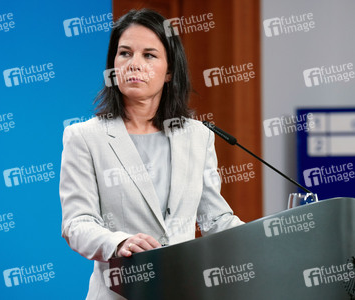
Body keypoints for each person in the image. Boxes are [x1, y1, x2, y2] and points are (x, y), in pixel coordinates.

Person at [59, 8, 243, 299]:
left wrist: (272, 234)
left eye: (149, 55)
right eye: (125, 53)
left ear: (169, 70)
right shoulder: (84, 137)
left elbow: (214, 220)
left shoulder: (198, 136)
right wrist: (118, 243)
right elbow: (76, 224)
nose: (134, 64)